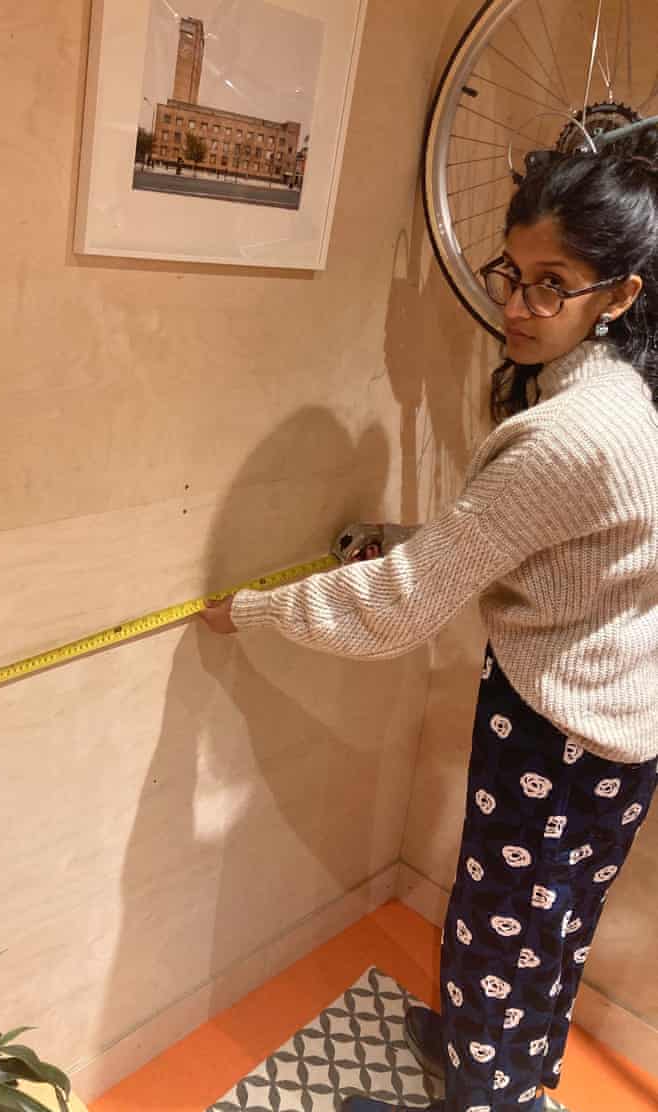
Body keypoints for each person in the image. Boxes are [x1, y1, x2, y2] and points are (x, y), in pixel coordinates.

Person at [199, 147, 658, 1112]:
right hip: (619, 721)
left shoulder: (565, 434)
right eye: (513, 274)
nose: (520, 307)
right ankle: (492, 1051)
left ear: (616, 296)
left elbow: (401, 611)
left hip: (560, 730)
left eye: (554, 287)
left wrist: (253, 610)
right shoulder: (628, 396)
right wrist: (418, 540)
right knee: (548, 925)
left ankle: (488, 1098)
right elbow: (556, 545)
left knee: (506, 929)